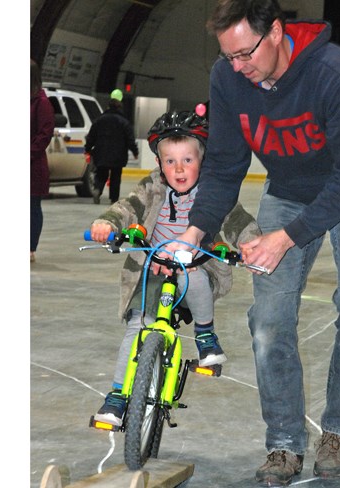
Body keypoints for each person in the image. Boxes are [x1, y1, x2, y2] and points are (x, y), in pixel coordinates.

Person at [167, 1, 340, 485]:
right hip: (288, 192)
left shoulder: (339, 76)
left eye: (245, 54)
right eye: (228, 57)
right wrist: (193, 233)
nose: (237, 67)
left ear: (276, 32)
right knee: (269, 321)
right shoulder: (228, 77)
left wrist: (285, 239)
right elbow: (227, 164)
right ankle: (284, 443)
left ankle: (337, 432)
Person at [89, 109, 260, 427]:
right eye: (170, 161)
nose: (179, 169)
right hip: (152, 269)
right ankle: (117, 396)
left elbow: (237, 220)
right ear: (158, 163)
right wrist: (106, 223)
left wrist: (252, 244)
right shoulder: (152, 188)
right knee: (137, 326)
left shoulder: (212, 190)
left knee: (194, 279)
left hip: (197, 266)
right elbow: (127, 208)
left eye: (188, 160)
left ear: (203, 159)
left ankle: (206, 334)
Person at [84, 88, 139, 205]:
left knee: (101, 173)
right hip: (118, 155)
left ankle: (98, 190)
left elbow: (91, 136)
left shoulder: (99, 120)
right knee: (115, 176)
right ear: (120, 106)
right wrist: (135, 151)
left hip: (101, 152)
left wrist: (88, 148)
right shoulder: (124, 121)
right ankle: (113, 199)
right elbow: (130, 138)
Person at [30, 59, 55, 263]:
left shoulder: (42, 102)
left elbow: (44, 134)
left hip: (32, 164)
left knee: (31, 205)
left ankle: (30, 247)